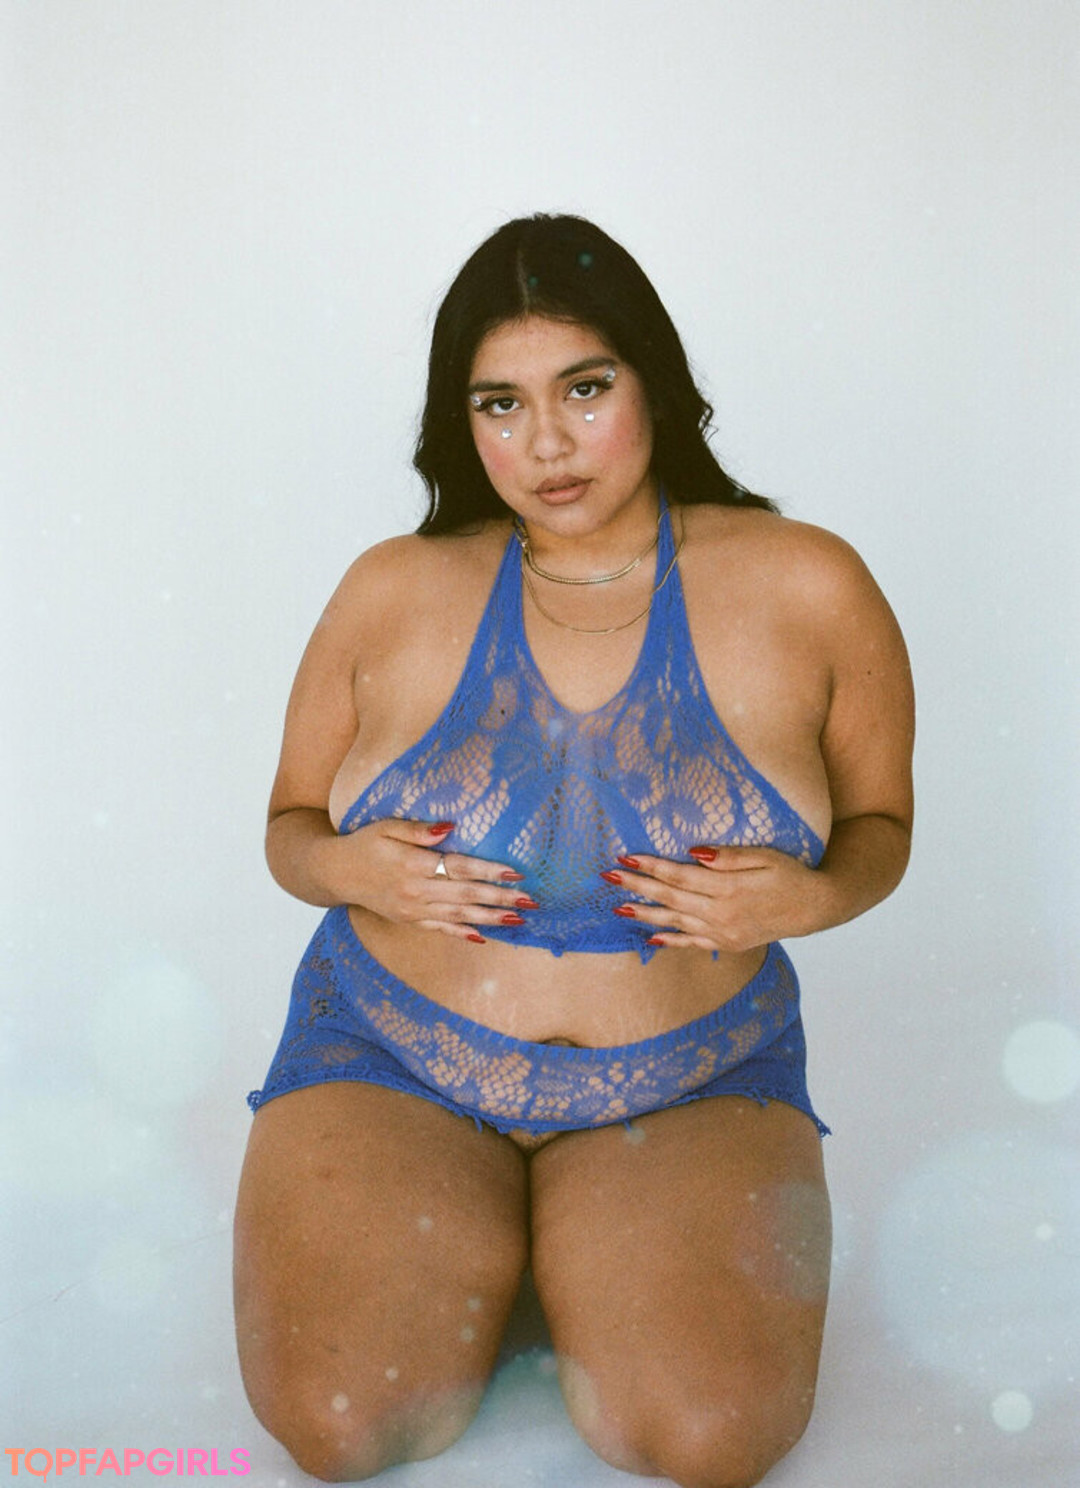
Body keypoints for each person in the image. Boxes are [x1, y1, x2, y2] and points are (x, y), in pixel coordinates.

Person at [233, 213, 914, 1487]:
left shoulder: (810, 584)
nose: (545, 443)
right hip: (396, 1058)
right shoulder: (391, 586)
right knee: (345, 1423)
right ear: (463, 422)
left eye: (585, 389)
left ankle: (581, 1251)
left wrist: (813, 898)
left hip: (691, 1080)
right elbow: (288, 829)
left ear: (654, 382)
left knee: (708, 1441)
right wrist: (347, 870)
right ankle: (494, 1239)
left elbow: (883, 830)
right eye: (500, 403)